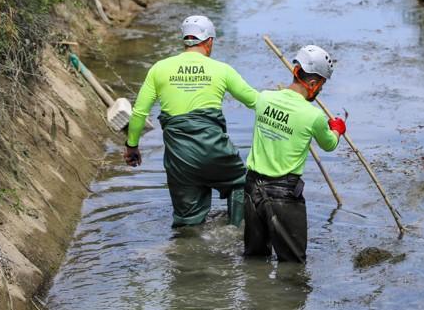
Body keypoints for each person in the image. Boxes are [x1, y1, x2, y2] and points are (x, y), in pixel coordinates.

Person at [124, 15, 257, 227]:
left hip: (180, 159)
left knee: (187, 222)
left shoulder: (159, 68)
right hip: (215, 152)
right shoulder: (222, 70)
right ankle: (236, 231)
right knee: (242, 182)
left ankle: (186, 246)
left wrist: (132, 146)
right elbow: (256, 102)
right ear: (209, 41)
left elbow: (139, 112)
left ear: (185, 40)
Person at [243, 45, 346, 263]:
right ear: (312, 84)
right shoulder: (313, 115)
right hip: (283, 196)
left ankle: (253, 296)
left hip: (252, 190)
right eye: (321, 86)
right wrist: (337, 129)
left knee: (254, 260)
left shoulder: (265, 99)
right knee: (292, 266)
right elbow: (329, 144)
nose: (319, 91)